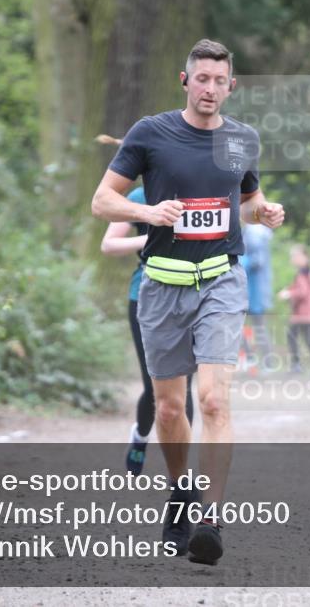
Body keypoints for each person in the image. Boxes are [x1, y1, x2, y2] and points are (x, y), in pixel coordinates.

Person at [91, 39, 284, 565]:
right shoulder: (151, 133)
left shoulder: (243, 140)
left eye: (220, 81)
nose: (210, 89)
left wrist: (264, 212)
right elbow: (101, 200)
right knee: (171, 408)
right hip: (161, 284)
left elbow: (245, 201)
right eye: (201, 79)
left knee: (215, 400)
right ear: (185, 81)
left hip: (221, 279)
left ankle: (211, 520)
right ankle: (182, 491)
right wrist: (152, 214)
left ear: (232, 86)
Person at [99, 184, 194, 477]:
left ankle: (180, 468)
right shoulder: (140, 196)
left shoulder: (201, 190)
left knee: (183, 386)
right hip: (145, 297)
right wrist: (148, 236)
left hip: (191, 297)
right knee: (156, 386)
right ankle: (140, 436)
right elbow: (109, 244)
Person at [278, 244, 310, 376]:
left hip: (304, 313)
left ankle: (299, 365)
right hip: (307, 312)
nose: (293, 259)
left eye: (295, 256)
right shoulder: (307, 272)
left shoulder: (303, 273)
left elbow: (303, 291)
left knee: (295, 336)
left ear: (305, 257)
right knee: (308, 339)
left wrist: (288, 294)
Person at [239, 223, 274, 373]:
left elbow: (258, 261)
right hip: (246, 291)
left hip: (256, 291)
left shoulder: (254, 233)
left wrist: (241, 262)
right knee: (237, 327)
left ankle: (268, 363)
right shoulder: (249, 231)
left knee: (259, 329)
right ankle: (250, 358)